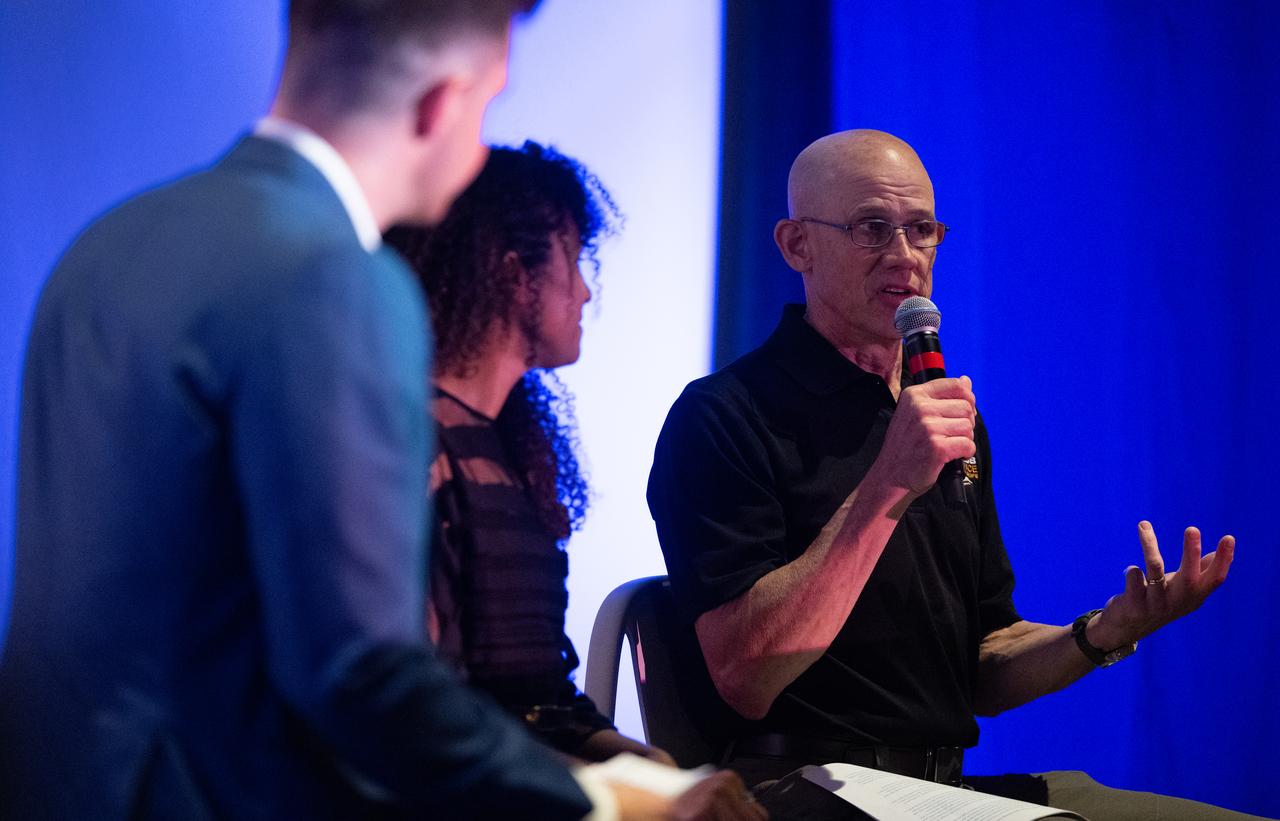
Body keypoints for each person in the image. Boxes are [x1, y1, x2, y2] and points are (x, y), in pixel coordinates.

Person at [0, 3, 755, 819]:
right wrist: (605, 798)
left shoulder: (105, 246)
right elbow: (357, 674)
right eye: (487, 103)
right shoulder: (336, 277)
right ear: (440, 102)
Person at [647, 129, 1261, 819]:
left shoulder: (944, 419)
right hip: (803, 789)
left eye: (922, 229)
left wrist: (1104, 631)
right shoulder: (724, 416)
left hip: (945, 792)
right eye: (873, 228)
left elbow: (982, 662)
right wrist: (887, 485)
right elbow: (745, 675)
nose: (906, 256)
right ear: (797, 246)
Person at [385, 141, 679, 767]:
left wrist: (632, 762)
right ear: (516, 277)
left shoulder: (506, 451)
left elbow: (535, 698)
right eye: (572, 259)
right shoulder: (406, 448)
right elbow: (422, 719)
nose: (584, 292)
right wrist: (608, 792)